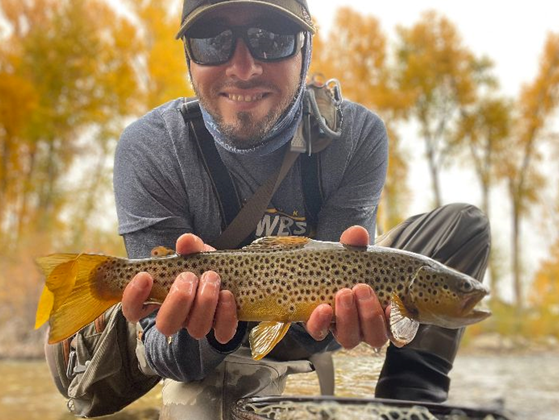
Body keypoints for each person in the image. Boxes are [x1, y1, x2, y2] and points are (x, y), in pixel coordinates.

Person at [46, 1, 490, 419]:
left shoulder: (357, 135)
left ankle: (410, 404)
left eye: (272, 37)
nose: (243, 67)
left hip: (303, 304)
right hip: (196, 336)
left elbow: (327, 315)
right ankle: (85, 315)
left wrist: (316, 323)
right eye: (213, 41)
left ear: (305, 49)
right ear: (188, 57)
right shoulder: (152, 147)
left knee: (461, 227)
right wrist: (231, 321)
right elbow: (166, 353)